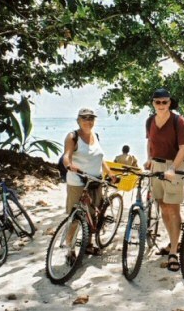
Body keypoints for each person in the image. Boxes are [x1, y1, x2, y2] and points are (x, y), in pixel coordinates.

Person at [144, 88, 184, 272]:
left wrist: (173, 168)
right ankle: (174, 242)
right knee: (162, 206)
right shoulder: (150, 120)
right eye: (158, 102)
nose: (161, 105)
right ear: (153, 103)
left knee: (173, 208)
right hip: (156, 166)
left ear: (170, 103)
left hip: (174, 166)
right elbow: (150, 142)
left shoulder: (178, 121)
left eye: (165, 102)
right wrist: (148, 159)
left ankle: (174, 251)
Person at [62, 107, 116, 256]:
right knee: (75, 216)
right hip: (78, 181)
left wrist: (109, 173)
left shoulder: (95, 135)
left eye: (91, 118)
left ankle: (88, 244)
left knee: (92, 214)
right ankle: (70, 250)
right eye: (84, 118)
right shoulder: (73, 136)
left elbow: (99, 158)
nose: (88, 121)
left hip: (96, 180)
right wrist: (69, 165)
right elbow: (67, 155)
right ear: (78, 120)